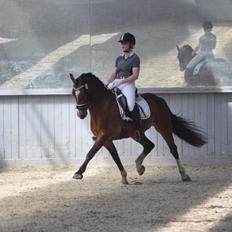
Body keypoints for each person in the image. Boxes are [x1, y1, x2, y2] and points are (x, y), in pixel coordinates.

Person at [107, 32, 144, 141]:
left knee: (131, 105)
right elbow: (114, 72)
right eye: (121, 43)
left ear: (131, 44)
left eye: (124, 43)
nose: (122, 45)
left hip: (128, 84)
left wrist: (121, 82)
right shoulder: (119, 58)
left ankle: (138, 129)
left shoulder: (135, 58)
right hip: (117, 82)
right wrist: (107, 82)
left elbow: (135, 75)